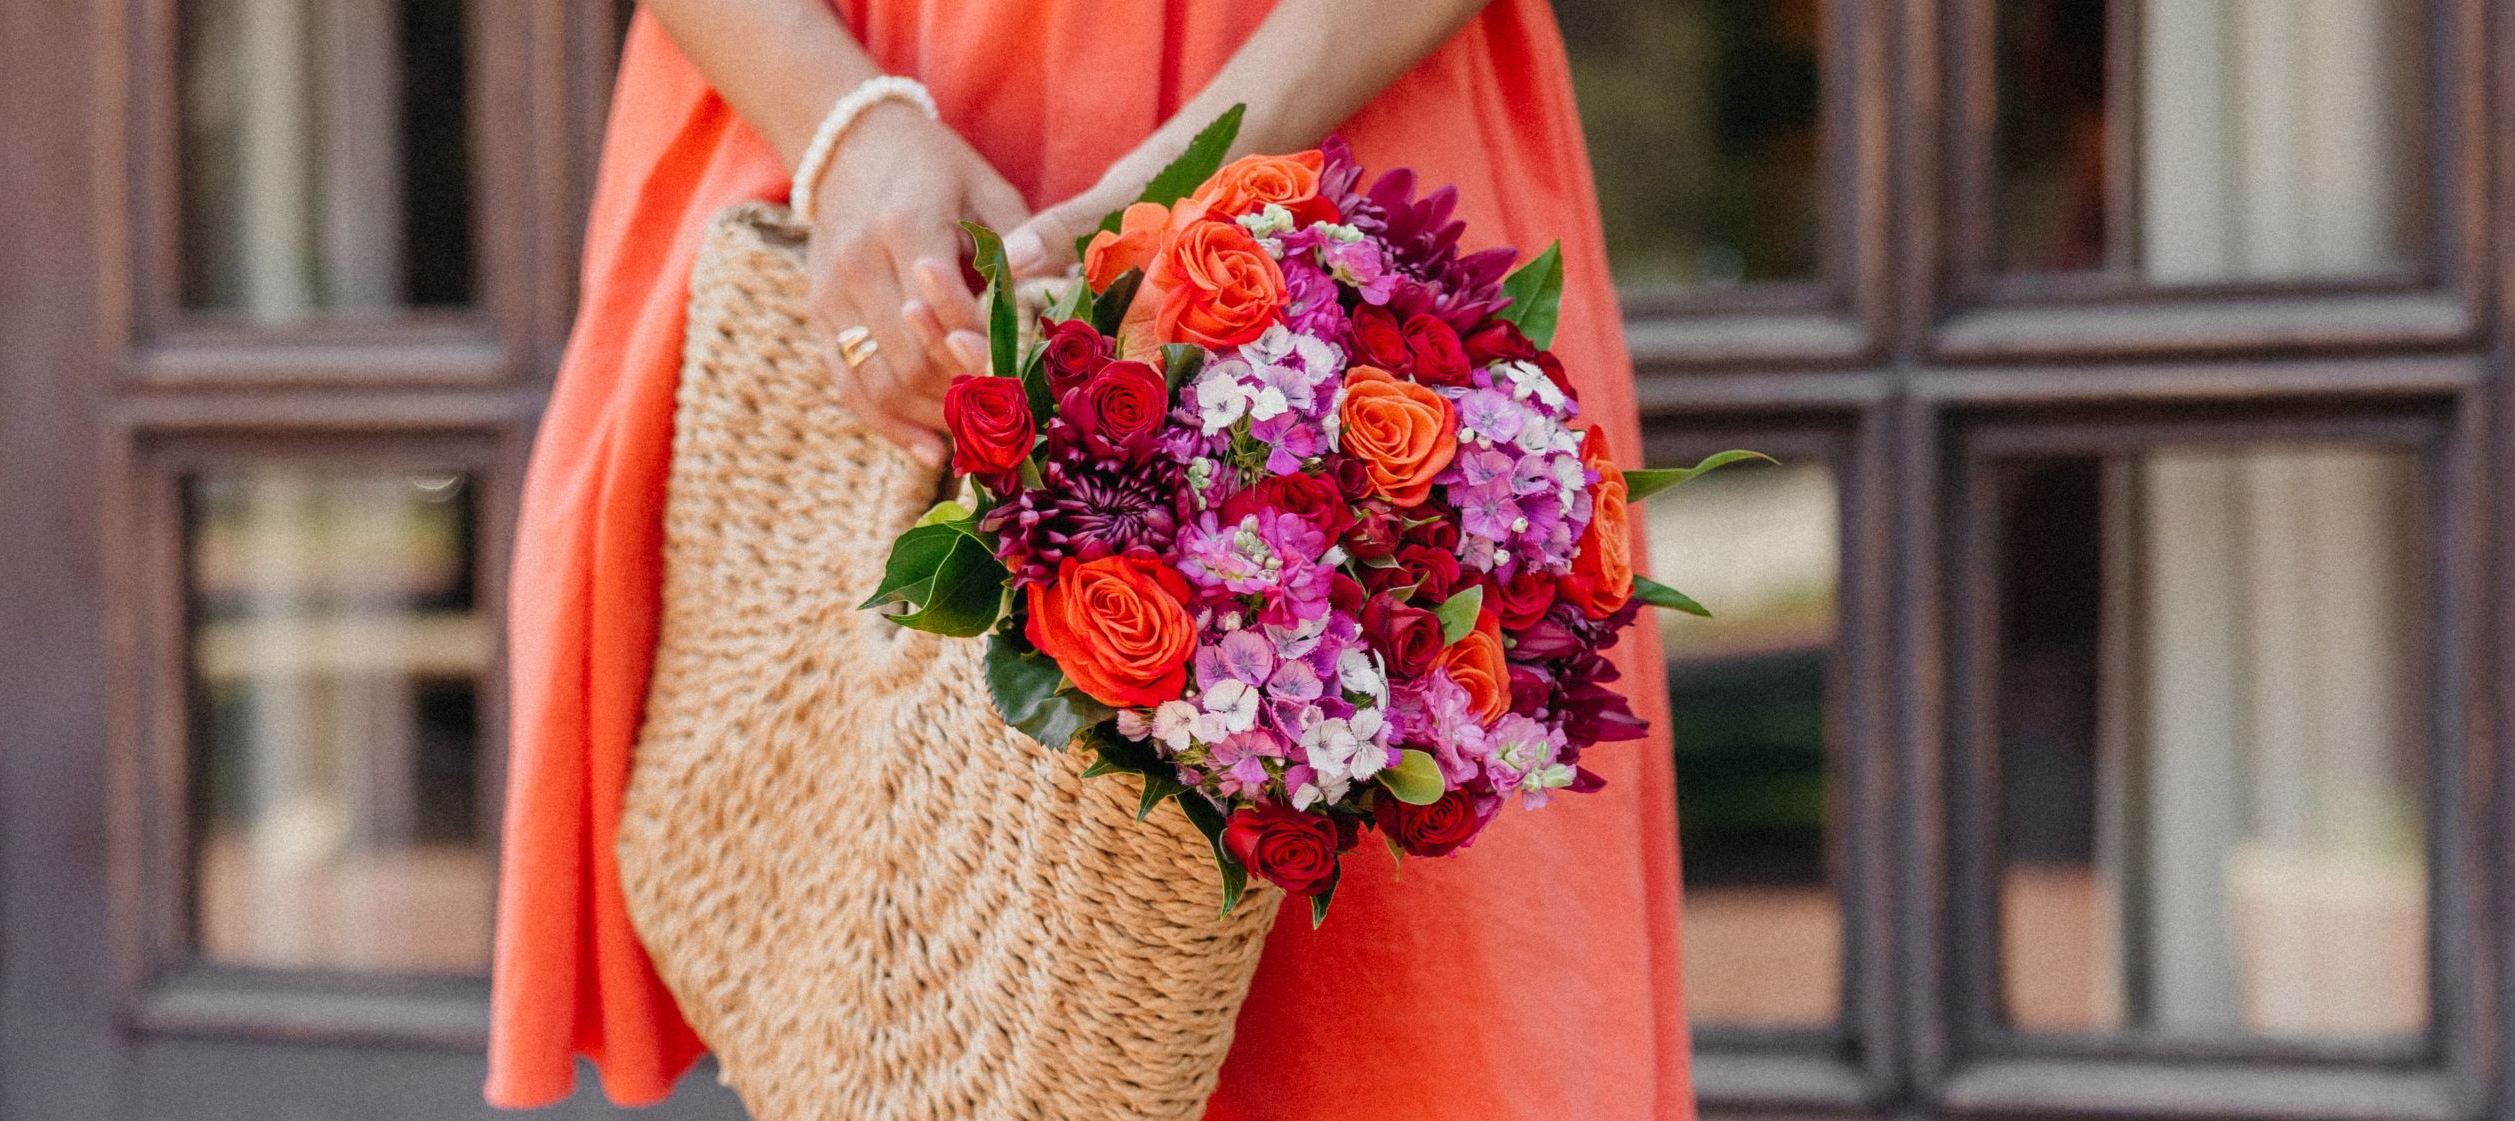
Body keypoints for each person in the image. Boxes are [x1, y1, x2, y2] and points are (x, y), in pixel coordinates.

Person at [488, 1, 1694, 1116]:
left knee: (1405, 1044)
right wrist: (844, 128)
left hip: (1328, 124)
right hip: (833, 137)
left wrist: (1209, 165)